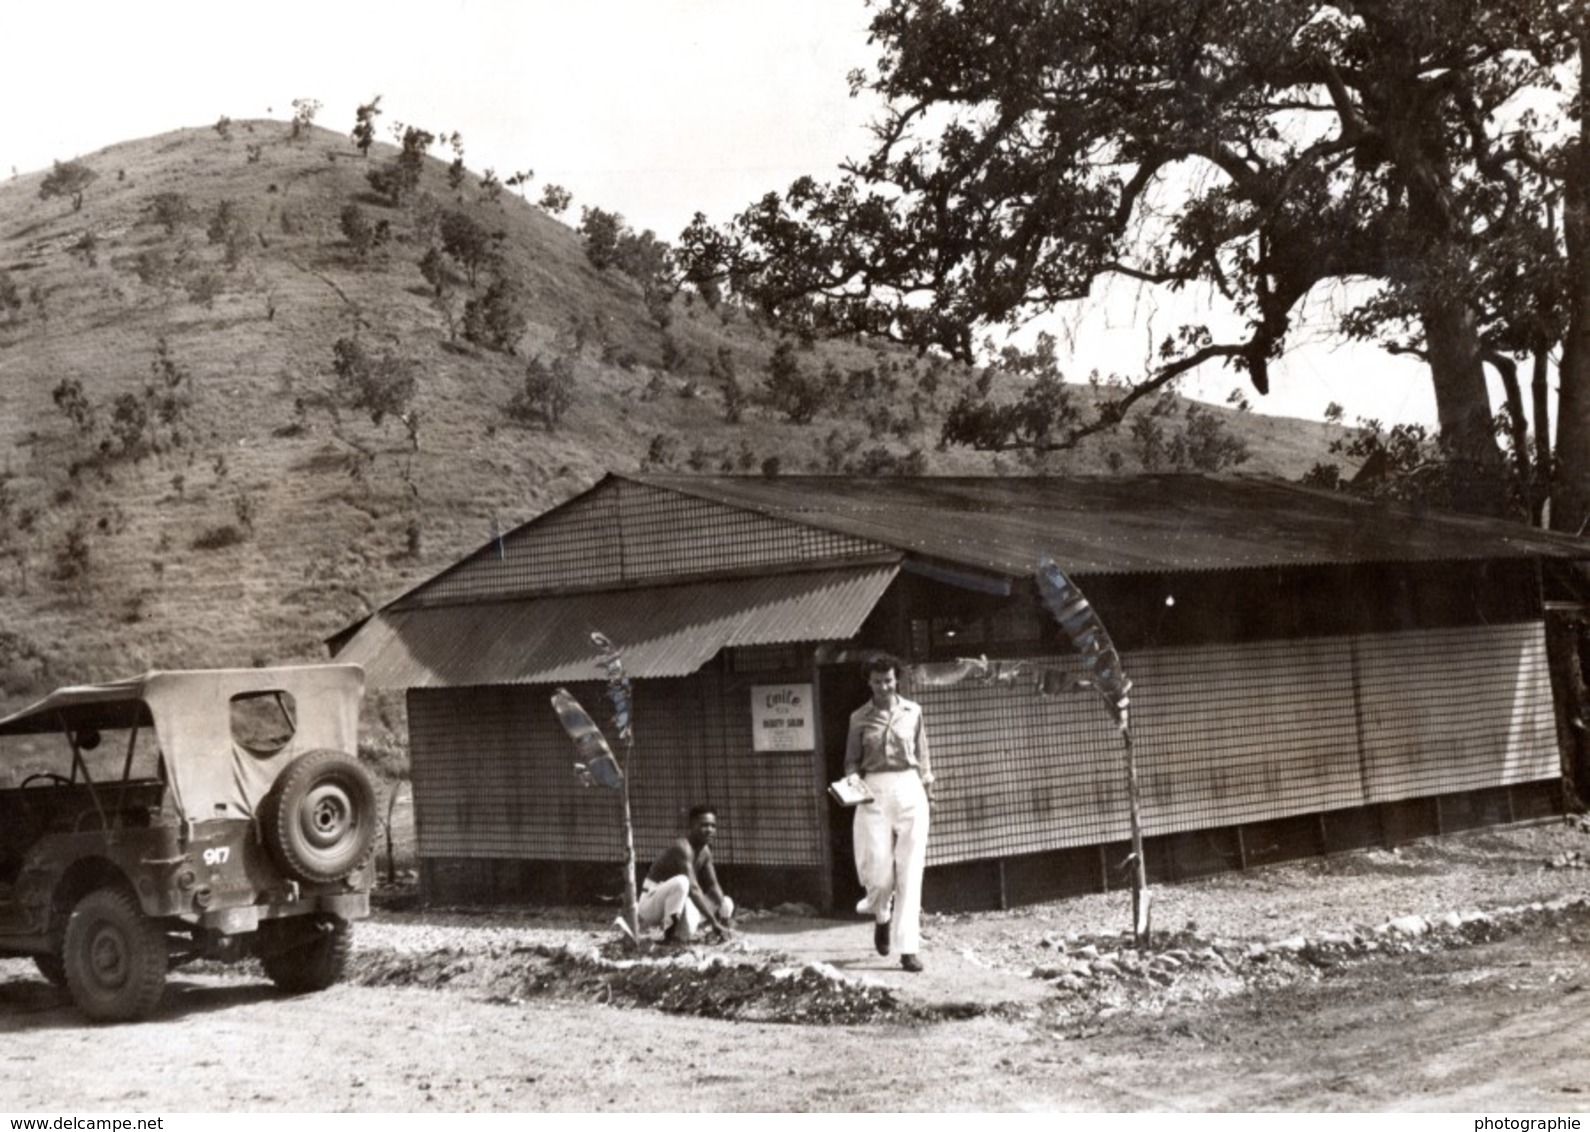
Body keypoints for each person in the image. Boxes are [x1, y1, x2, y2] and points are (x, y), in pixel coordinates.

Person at [842, 653, 935, 972]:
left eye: (889, 680)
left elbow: (923, 755)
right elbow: (852, 761)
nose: (884, 686)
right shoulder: (859, 718)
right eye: (877, 681)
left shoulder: (914, 712)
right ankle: (881, 914)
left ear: (897, 680)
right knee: (879, 873)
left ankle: (908, 948)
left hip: (910, 787)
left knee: (911, 869)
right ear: (869, 682)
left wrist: (928, 789)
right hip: (874, 791)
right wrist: (855, 788)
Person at [631, 803, 734, 943]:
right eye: (704, 825)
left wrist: (724, 917)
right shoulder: (682, 847)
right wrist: (714, 922)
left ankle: (684, 934)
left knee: (726, 902)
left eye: (713, 826)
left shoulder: (705, 851)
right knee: (682, 882)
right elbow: (693, 888)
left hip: (676, 903)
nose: (709, 830)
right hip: (651, 906)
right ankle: (668, 936)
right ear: (692, 825)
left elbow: (713, 885)